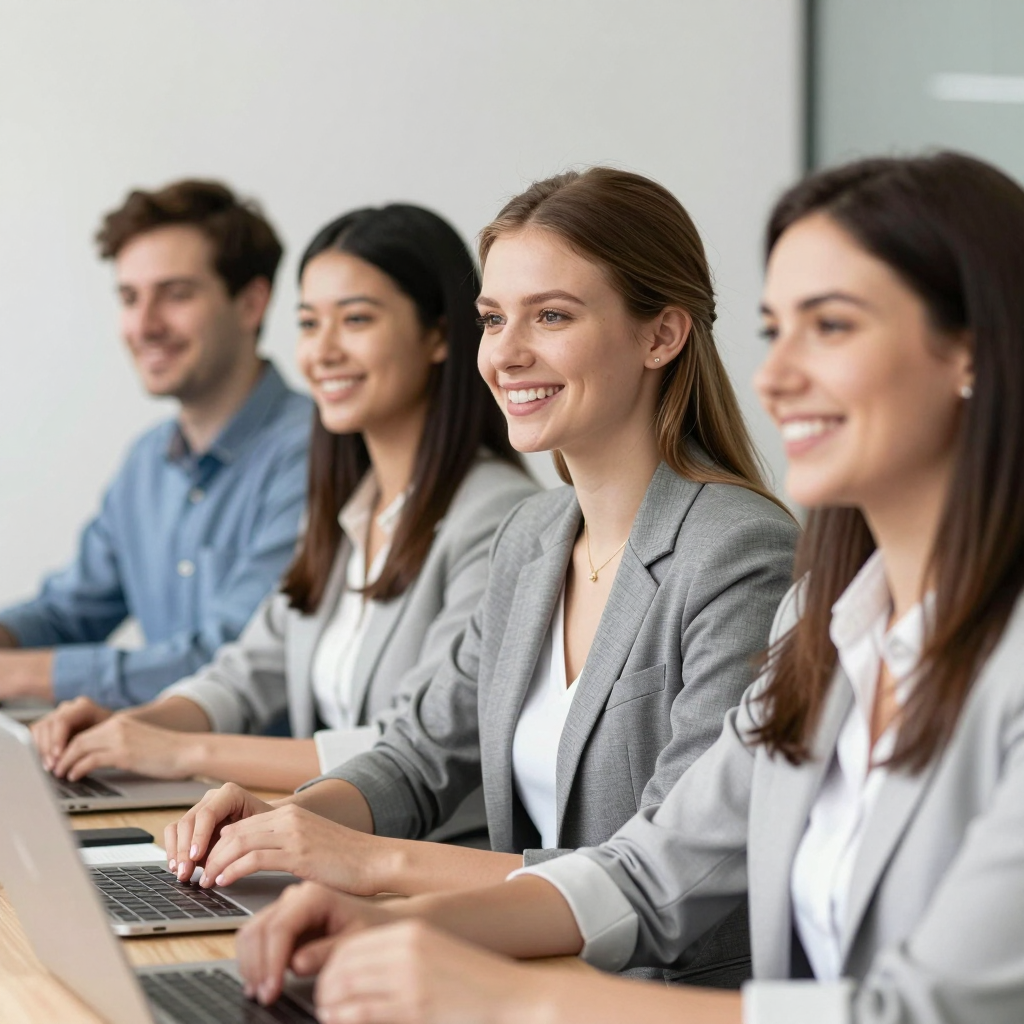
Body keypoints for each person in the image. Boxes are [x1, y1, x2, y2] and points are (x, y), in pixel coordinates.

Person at [234, 151, 1024, 1024]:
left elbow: (925, 1013)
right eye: (774, 331)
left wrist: (510, 996)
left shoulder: (759, 558)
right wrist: (388, 922)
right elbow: (652, 870)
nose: (774, 376)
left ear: (973, 353)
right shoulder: (829, 620)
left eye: (831, 327)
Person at [167, 168, 798, 988]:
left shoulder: (737, 550)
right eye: (494, 319)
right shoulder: (532, 535)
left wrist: (369, 864)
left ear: (661, 335)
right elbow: (420, 754)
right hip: (508, 971)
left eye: (553, 316)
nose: (505, 352)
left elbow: (663, 865)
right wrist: (287, 821)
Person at [30, 204, 537, 803]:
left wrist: (181, 752)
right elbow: (247, 672)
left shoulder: (499, 516)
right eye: (307, 323)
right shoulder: (351, 507)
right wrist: (136, 725)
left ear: (438, 335)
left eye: (355, 319)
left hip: (431, 863)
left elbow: (413, 748)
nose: (321, 351)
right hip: (319, 842)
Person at [0, 180, 312, 709]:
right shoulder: (146, 462)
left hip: (271, 785)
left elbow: (229, 660)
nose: (144, 325)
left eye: (176, 294)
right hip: (160, 774)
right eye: (129, 297)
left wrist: (19, 675)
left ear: (251, 304)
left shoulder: (316, 452)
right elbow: (66, 612)